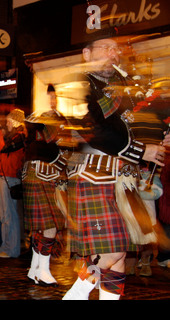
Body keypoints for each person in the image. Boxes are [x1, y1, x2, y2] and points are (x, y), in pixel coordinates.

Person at [62, 31, 170, 300]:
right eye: (106, 48)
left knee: (119, 254)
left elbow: (135, 122)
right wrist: (142, 150)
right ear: (86, 54)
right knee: (109, 252)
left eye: (116, 49)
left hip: (123, 178)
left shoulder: (124, 87)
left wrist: (161, 131)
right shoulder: (76, 85)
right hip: (92, 175)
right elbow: (94, 131)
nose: (114, 54)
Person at [22, 84, 67, 286]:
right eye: (50, 96)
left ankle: (35, 269)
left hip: (46, 173)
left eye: (55, 97)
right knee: (50, 225)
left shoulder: (60, 119)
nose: (53, 100)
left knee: (44, 226)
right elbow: (48, 140)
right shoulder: (38, 119)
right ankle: (44, 270)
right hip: (40, 173)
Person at [0, 109, 25, 258]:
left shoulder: (19, 137)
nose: (7, 124)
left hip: (9, 177)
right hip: (4, 176)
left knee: (9, 215)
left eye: (9, 121)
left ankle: (11, 249)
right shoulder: (13, 137)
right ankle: (6, 247)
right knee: (5, 215)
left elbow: (2, 149)